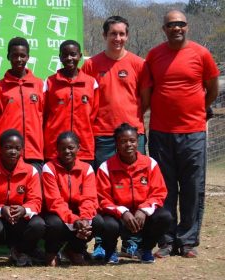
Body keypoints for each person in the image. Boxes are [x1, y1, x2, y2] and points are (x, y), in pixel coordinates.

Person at [141, 10, 220, 258]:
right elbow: (147, 90)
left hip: (193, 132)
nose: (176, 28)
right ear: (164, 29)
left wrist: (199, 109)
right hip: (161, 132)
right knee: (164, 189)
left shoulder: (201, 54)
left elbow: (213, 88)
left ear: (187, 27)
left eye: (181, 24)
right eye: (171, 25)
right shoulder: (154, 55)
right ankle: (165, 240)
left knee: (192, 188)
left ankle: (187, 241)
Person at [81, 15, 146, 260]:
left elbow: (145, 99)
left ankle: (131, 242)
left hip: (133, 135)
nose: (117, 38)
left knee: (133, 190)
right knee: (103, 192)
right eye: (113, 34)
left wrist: (133, 123)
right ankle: (102, 242)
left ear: (127, 36)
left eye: (121, 34)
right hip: (102, 135)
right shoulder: (91, 65)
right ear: (105, 36)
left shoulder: (139, 64)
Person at [97, 123, 173, 264]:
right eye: (123, 141)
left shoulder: (150, 163)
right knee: (106, 223)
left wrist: (143, 210)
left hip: (141, 218)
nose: (128, 144)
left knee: (165, 216)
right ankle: (110, 251)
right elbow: (102, 199)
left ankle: (144, 250)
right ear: (116, 144)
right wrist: (123, 212)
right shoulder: (106, 167)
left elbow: (159, 192)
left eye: (132, 140)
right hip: (118, 218)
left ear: (138, 142)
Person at [0, 129, 45, 268]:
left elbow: (36, 201)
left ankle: (21, 252)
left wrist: (24, 210)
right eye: (8, 147)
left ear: (22, 151)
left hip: (19, 219)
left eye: (17, 148)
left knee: (38, 224)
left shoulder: (31, 171)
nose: (13, 152)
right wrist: (0, 210)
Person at [42, 131, 101, 266]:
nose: (67, 151)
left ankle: (75, 250)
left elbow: (89, 198)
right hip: (56, 212)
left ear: (78, 148)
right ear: (57, 150)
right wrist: (74, 220)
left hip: (79, 211)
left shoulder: (87, 169)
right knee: (54, 224)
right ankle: (51, 251)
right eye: (63, 148)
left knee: (97, 222)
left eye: (71, 148)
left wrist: (84, 219)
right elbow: (54, 201)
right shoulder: (49, 168)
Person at [0, 37, 45, 173]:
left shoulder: (39, 85)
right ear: (8, 56)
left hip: (33, 153)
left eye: (23, 55)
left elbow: (46, 116)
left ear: (28, 57)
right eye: (15, 55)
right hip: (8, 154)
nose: (19, 59)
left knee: (34, 194)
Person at [43, 40, 98, 163]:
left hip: (83, 148)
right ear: (60, 57)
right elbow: (44, 114)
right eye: (65, 55)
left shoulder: (91, 83)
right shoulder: (50, 82)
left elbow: (94, 115)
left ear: (80, 56)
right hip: (55, 148)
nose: (69, 58)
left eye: (73, 54)